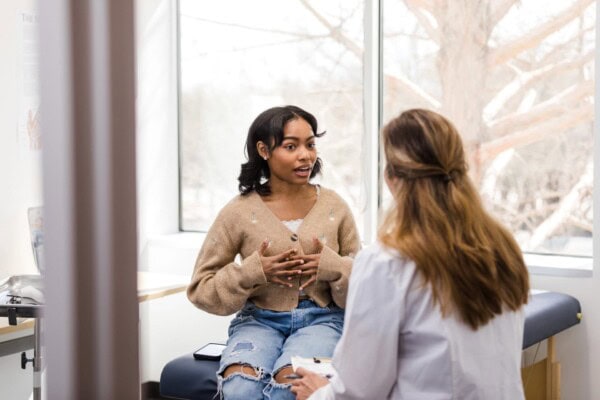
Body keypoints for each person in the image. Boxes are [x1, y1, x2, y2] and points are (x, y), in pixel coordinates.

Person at [291, 108, 530, 400]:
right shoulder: (503, 249)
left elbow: (358, 392)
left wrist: (318, 394)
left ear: (391, 178)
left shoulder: (387, 264)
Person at [187, 105, 361, 400]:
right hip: (257, 321)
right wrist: (253, 272)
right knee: (240, 390)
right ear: (263, 150)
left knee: (289, 389)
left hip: (323, 320)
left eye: (310, 144)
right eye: (291, 146)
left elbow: (366, 284)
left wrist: (333, 267)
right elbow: (201, 288)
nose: (305, 155)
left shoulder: (335, 207)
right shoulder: (239, 212)